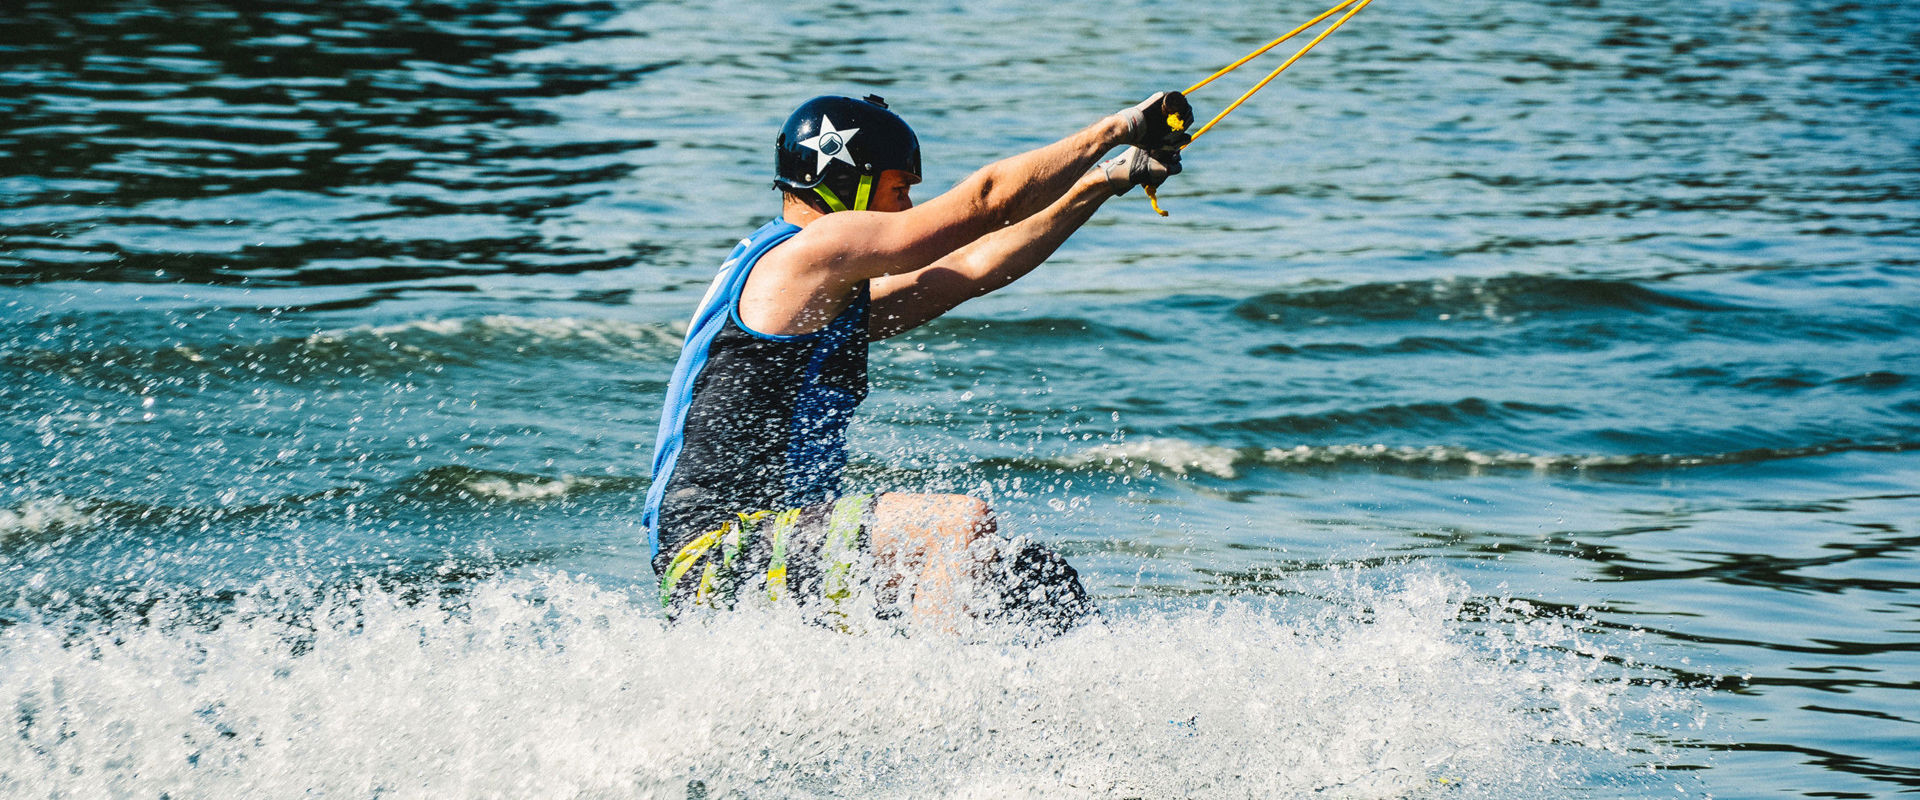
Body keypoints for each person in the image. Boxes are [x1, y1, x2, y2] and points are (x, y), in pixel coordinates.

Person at [644, 91, 1191, 631]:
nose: (907, 208)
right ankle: (939, 704)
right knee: (954, 527)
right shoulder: (810, 249)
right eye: (900, 189)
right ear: (847, 179)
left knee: (1030, 577)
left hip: (779, 548)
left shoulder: (810, 292)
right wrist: (1119, 128)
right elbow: (987, 202)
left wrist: (1100, 184)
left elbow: (972, 270)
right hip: (719, 555)